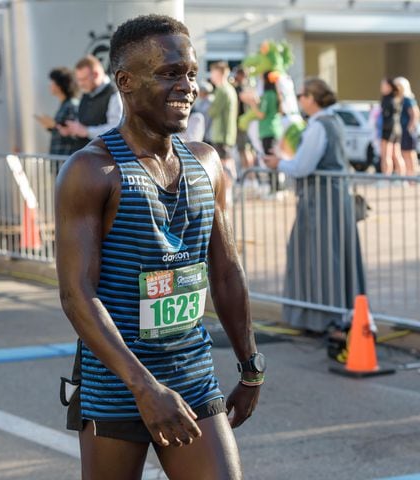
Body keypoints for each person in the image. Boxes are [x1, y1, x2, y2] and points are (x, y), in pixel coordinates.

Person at [56, 14, 262, 480]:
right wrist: (143, 388)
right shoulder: (91, 171)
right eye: (170, 73)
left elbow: (226, 271)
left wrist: (251, 367)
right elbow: (76, 295)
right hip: (117, 384)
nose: (187, 86)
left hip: (192, 374)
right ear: (125, 82)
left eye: (190, 72)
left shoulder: (207, 163)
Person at [264, 78, 366, 333]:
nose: (299, 100)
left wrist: (279, 164)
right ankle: (337, 313)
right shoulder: (334, 121)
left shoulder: (320, 125)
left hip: (321, 202)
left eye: (302, 95)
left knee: (319, 256)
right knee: (333, 254)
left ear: (312, 98)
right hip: (334, 199)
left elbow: (303, 167)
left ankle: (320, 318)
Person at [62, 55, 123, 151]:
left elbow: (116, 129)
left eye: (84, 79)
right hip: (85, 156)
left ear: (96, 74)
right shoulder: (86, 94)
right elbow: (83, 123)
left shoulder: (114, 94)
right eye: (78, 80)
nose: (80, 84)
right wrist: (72, 130)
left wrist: (87, 131)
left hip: (104, 158)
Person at [208, 61, 238, 207]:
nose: (211, 76)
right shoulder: (231, 89)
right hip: (228, 134)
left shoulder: (222, 90)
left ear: (219, 73)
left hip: (222, 134)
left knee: (224, 165)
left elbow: (213, 111)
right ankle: (229, 194)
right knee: (228, 163)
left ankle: (227, 195)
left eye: (213, 72)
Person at [36, 67, 82, 156]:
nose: (50, 85)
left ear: (60, 85)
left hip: (66, 159)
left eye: (53, 82)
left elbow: (75, 135)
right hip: (59, 159)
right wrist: (51, 127)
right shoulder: (65, 105)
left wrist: (54, 126)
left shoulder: (72, 105)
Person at [394, 76, 420, 177]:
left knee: (409, 154)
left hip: (407, 131)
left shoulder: (408, 99)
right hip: (399, 130)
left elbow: (415, 114)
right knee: (402, 154)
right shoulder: (397, 99)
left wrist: (409, 128)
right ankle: (405, 175)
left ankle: (412, 175)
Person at [379, 78, 404, 176]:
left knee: (386, 155)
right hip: (397, 128)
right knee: (396, 154)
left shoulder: (387, 99)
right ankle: (401, 177)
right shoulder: (397, 98)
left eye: (383, 85)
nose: (381, 88)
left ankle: (386, 177)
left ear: (389, 87)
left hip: (388, 129)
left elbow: (385, 115)